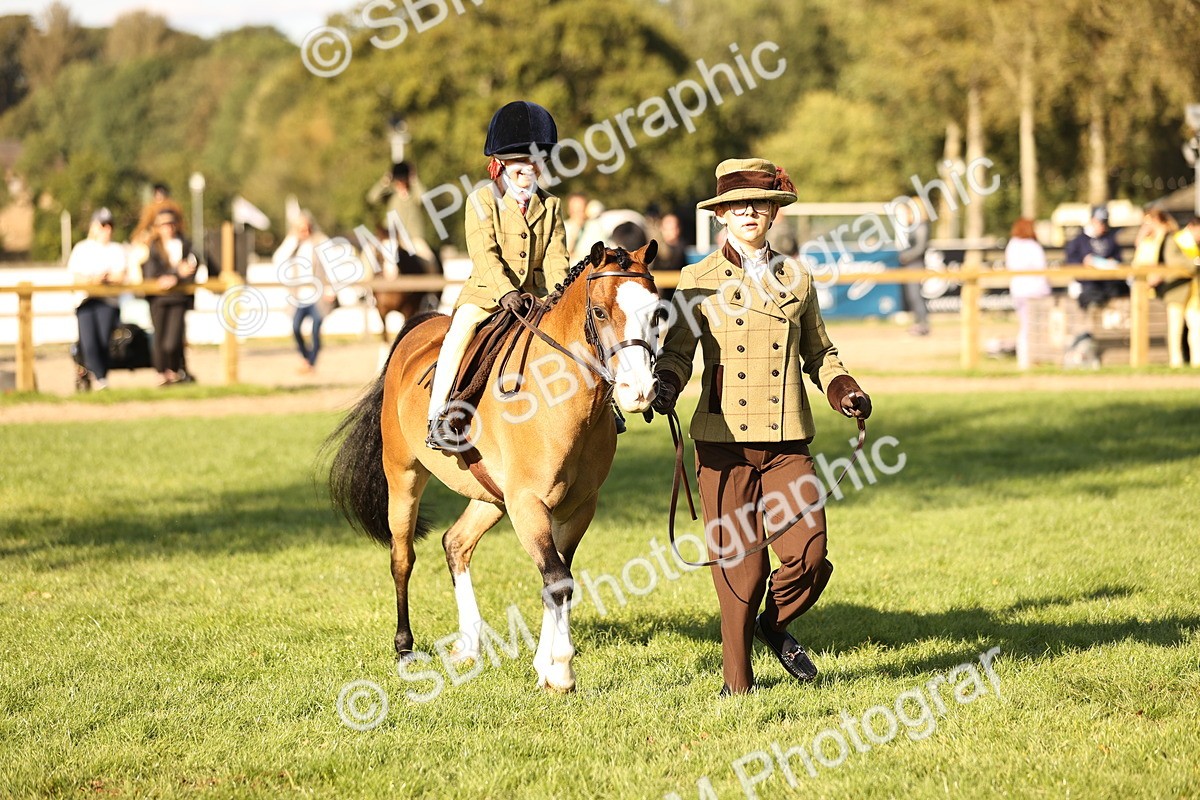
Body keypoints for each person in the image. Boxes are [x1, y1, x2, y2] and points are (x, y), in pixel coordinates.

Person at [653, 158, 872, 695]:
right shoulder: (697, 279)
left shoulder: (798, 276)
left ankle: (773, 625)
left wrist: (843, 387)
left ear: (773, 212)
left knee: (810, 555)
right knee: (742, 571)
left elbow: (821, 353)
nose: (749, 210)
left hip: (787, 441)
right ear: (722, 214)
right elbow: (677, 354)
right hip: (722, 443)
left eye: (759, 202)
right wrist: (666, 385)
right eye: (738, 204)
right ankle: (737, 685)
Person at [425, 100, 570, 450]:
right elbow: (484, 254)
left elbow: (556, 257)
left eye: (534, 161)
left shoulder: (551, 205)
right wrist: (505, 291)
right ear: (501, 163)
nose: (527, 169)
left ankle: (607, 407)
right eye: (519, 162)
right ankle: (438, 416)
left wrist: (560, 294)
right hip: (488, 296)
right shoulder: (481, 201)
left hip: (537, 298)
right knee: (458, 335)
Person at [67, 208, 128, 390]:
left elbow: (121, 275)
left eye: (110, 225)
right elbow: (76, 278)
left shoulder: (116, 249)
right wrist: (93, 280)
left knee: (103, 341)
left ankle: (99, 377)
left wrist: (105, 279)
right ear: (93, 226)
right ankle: (100, 379)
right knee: (88, 342)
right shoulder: (81, 248)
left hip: (108, 302)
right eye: (103, 225)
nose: (107, 229)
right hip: (86, 301)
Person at [273, 211, 337, 373]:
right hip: (299, 296)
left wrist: (330, 288)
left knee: (315, 330)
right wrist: (292, 239)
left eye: (307, 228)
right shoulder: (294, 245)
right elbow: (278, 258)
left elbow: (331, 265)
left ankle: (311, 363)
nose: (305, 232)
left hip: (318, 296)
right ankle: (306, 358)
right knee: (295, 328)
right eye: (301, 229)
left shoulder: (320, 241)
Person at [141, 209, 197, 385]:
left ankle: (173, 370)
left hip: (178, 298)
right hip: (158, 299)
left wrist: (175, 276)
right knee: (159, 338)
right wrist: (176, 273)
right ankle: (161, 372)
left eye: (171, 224)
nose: (168, 228)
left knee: (173, 339)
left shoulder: (186, 244)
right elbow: (152, 273)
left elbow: (191, 268)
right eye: (164, 224)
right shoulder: (153, 247)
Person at [366, 161, 437, 273]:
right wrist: (385, 181)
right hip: (391, 237)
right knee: (373, 256)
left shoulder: (414, 194)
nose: (401, 182)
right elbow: (372, 198)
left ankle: (432, 284)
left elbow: (424, 198)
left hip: (413, 238)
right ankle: (374, 283)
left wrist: (414, 180)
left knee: (430, 260)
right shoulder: (390, 194)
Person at [1004, 218, 1051, 370]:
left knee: (1024, 324)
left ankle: (1025, 358)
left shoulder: (1012, 245)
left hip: (1018, 290)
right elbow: (1041, 268)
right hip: (1035, 291)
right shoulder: (1033, 246)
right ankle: (1031, 358)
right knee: (1032, 326)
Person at [1156, 216, 1200, 368]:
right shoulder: (1175, 239)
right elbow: (1173, 260)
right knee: (1175, 328)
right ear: (1192, 226)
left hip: (1195, 291)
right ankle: (1176, 361)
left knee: (1197, 326)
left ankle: (1197, 361)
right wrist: (1194, 263)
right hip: (1177, 290)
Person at [1066, 206, 1124, 309]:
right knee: (1091, 295)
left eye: (1104, 222)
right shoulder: (1079, 240)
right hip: (1088, 283)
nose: (1103, 226)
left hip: (1108, 282)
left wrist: (1112, 262)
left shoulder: (1110, 239)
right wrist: (1083, 263)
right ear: (1092, 220)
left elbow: (1118, 259)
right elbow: (1071, 261)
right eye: (1100, 222)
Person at [894, 199, 931, 336]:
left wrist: (905, 256)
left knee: (916, 295)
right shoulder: (915, 226)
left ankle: (923, 325)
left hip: (916, 264)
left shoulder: (922, 226)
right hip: (912, 264)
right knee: (912, 295)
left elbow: (920, 248)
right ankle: (918, 323)